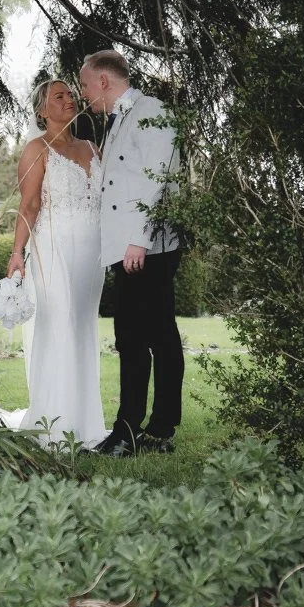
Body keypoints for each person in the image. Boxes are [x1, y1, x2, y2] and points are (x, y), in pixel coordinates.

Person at [79, 50, 182, 456]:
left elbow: (159, 178)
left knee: (153, 338)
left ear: (104, 81)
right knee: (135, 338)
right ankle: (137, 430)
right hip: (129, 249)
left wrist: (139, 239)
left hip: (147, 248)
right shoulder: (118, 119)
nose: (84, 93)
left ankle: (144, 432)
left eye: (86, 85)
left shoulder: (152, 110)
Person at [5, 79, 106, 446]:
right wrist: (17, 252)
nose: (69, 100)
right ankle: (54, 423)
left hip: (92, 257)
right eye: (59, 96)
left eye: (70, 94)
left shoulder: (91, 147)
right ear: (42, 110)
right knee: (60, 325)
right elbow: (30, 205)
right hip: (53, 252)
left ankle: (84, 423)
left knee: (82, 328)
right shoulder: (37, 149)